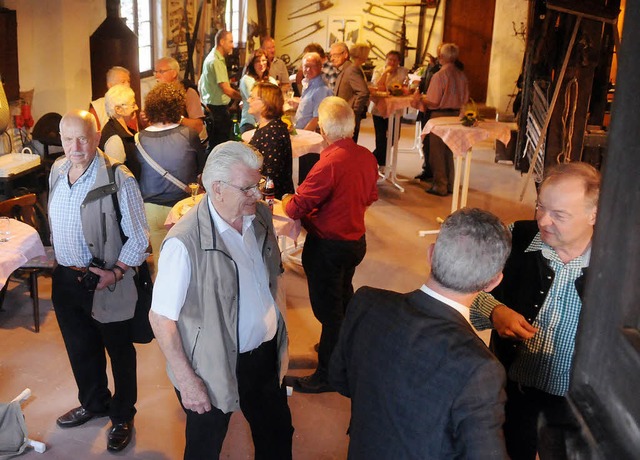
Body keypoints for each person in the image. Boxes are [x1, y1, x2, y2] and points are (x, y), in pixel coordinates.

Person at [149, 141, 293, 460]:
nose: (257, 194)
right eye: (247, 188)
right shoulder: (183, 244)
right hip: (211, 367)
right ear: (217, 188)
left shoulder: (260, 218)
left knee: (278, 435)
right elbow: (160, 318)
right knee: (205, 446)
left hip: (263, 357)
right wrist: (187, 381)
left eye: (257, 184)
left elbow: (273, 276)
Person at [330, 208, 511, 459]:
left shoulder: (366, 302)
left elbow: (338, 378)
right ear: (493, 283)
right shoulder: (481, 369)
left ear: (431, 254)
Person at [470, 162, 601, 460]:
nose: (543, 221)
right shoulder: (516, 237)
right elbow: (466, 290)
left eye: (559, 215)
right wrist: (495, 311)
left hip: (575, 404)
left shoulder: (616, 265)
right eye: (540, 207)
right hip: (514, 390)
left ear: (594, 214)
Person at [49, 110, 149, 453]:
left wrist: (117, 271)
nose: (74, 147)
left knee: (119, 351)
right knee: (80, 348)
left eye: (82, 138)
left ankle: (122, 415)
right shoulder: (57, 170)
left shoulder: (118, 177)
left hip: (107, 279)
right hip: (66, 278)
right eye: (67, 139)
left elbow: (139, 236)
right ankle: (93, 403)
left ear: (95, 137)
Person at [282, 97, 378, 393]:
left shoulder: (330, 163)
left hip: (328, 246)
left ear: (323, 128)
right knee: (343, 297)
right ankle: (343, 350)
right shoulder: (366, 156)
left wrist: (287, 199)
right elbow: (370, 197)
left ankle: (328, 373)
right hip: (355, 242)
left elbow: (296, 207)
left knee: (328, 311)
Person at [136, 83, 206, 272]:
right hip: (182, 208)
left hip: (151, 209)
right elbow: (202, 172)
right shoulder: (189, 134)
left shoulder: (139, 138)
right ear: (177, 107)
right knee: (188, 260)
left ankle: (163, 298)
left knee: (161, 261)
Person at [414, 43, 469, 196]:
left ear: (442, 57)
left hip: (439, 116)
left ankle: (440, 185)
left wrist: (420, 98)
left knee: (436, 153)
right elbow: (465, 99)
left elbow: (434, 100)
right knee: (448, 151)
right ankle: (451, 184)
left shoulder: (439, 76)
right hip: (456, 115)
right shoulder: (461, 75)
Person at [248, 82, 294, 199]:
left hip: (272, 201)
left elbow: (270, 175)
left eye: (253, 97)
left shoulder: (272, 132)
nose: (249, 100)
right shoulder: (268, 127)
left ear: (266, 103)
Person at [294, 52, 333, 183]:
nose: (308, 70)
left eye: (312, 66)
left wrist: (303, 136)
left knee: (308, 177)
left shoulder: (320, 89)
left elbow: (317, 118)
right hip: (305, 135)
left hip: (311, 138)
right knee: (304, 175)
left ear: (320, 67)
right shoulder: (309, 84)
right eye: (305, 66)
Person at [199, 30, 241, 151]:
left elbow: (200, 82)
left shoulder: (211, 57)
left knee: (214, 144)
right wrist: (244, 96)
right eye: (230, 42)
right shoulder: (216, 61)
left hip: (210, 107)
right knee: (219, 146)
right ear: (222, 42)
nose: (233, 45)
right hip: (217, 110)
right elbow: (227, 89)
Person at [371, 51, 409, 167]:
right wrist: (385, 73)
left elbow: (406, 86)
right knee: (381, 137)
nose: (392, 62)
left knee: (394, 137)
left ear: (399, 62)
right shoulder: (378, 70)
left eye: (395, 60)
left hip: (396, 109)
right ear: (386, 60)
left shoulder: (403, 71)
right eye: (389, 59)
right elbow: (377, 87)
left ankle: (373, 158)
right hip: (379, 108)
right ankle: (381, 164)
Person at [152, 56, 206, 137]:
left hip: (185, 140)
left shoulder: (188, 92)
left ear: (174, 73)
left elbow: (198, 126)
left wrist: (176, 118)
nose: (157, 76)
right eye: (155, 72)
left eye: (161, 72)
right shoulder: (156, 94)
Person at [330, 42, 370, 142]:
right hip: (342, 116)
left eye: (335, 55)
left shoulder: (351, 69)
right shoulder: (345, 69)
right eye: (331, 55)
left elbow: (363, 92)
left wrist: (354, 111)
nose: (332, 58)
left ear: (345, 54)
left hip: (348, 118)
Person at [239, 49, 277, 133]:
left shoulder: (272, 80)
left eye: (263, 60)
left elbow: (277, 101)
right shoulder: (247, 79)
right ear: (252, 64)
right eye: (257, 61)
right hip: (250, 123)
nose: (261, 63)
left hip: (269, 122)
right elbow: (257, 101)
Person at [99, 84, 138, 165]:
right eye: (133, 105)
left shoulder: (124, 131)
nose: (136, 108)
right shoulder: (114, 139)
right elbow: (116, 174)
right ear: (118, 110)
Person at [89, 66, 132, 131]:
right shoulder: (97, 107)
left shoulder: (131, 104)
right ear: (110, 85)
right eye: (123, 82)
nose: (127, 85)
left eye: (128, 81)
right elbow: (93, 134)